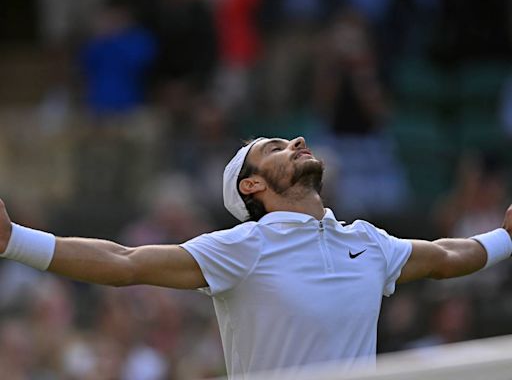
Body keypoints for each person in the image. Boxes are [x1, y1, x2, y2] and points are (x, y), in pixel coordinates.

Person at [0, 136, 511, 379]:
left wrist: (508, 238)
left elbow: (447, 255)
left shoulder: (370, 241)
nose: (297, 142)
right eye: (276, 148)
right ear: (253, 185)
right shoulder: (244, 247)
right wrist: (12, 239)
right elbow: (124, 260)